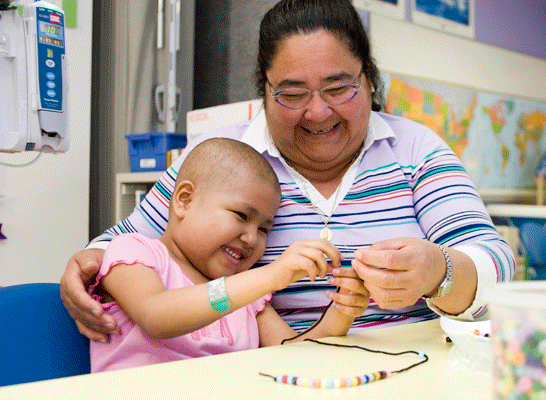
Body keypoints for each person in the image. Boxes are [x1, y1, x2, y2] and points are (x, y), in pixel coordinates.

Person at [61, 0, 515, 344]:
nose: (318, 113)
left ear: (369, 80)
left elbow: (496, 265)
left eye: (339, 88)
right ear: (264, 89)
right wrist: (84, 266)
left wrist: (440, 271)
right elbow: (124, 242)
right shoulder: (222, 155)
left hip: (415, 367)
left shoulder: (417, 149)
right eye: (292, 94)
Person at [89, 137, 369, 372]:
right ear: (185, 201)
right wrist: (270, 275)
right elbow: (156, 316)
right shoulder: (133, 251)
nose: (251, 238)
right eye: (241, 215)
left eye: (263, 229)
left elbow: (292, 355)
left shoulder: (248, 292)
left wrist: (340, 314)